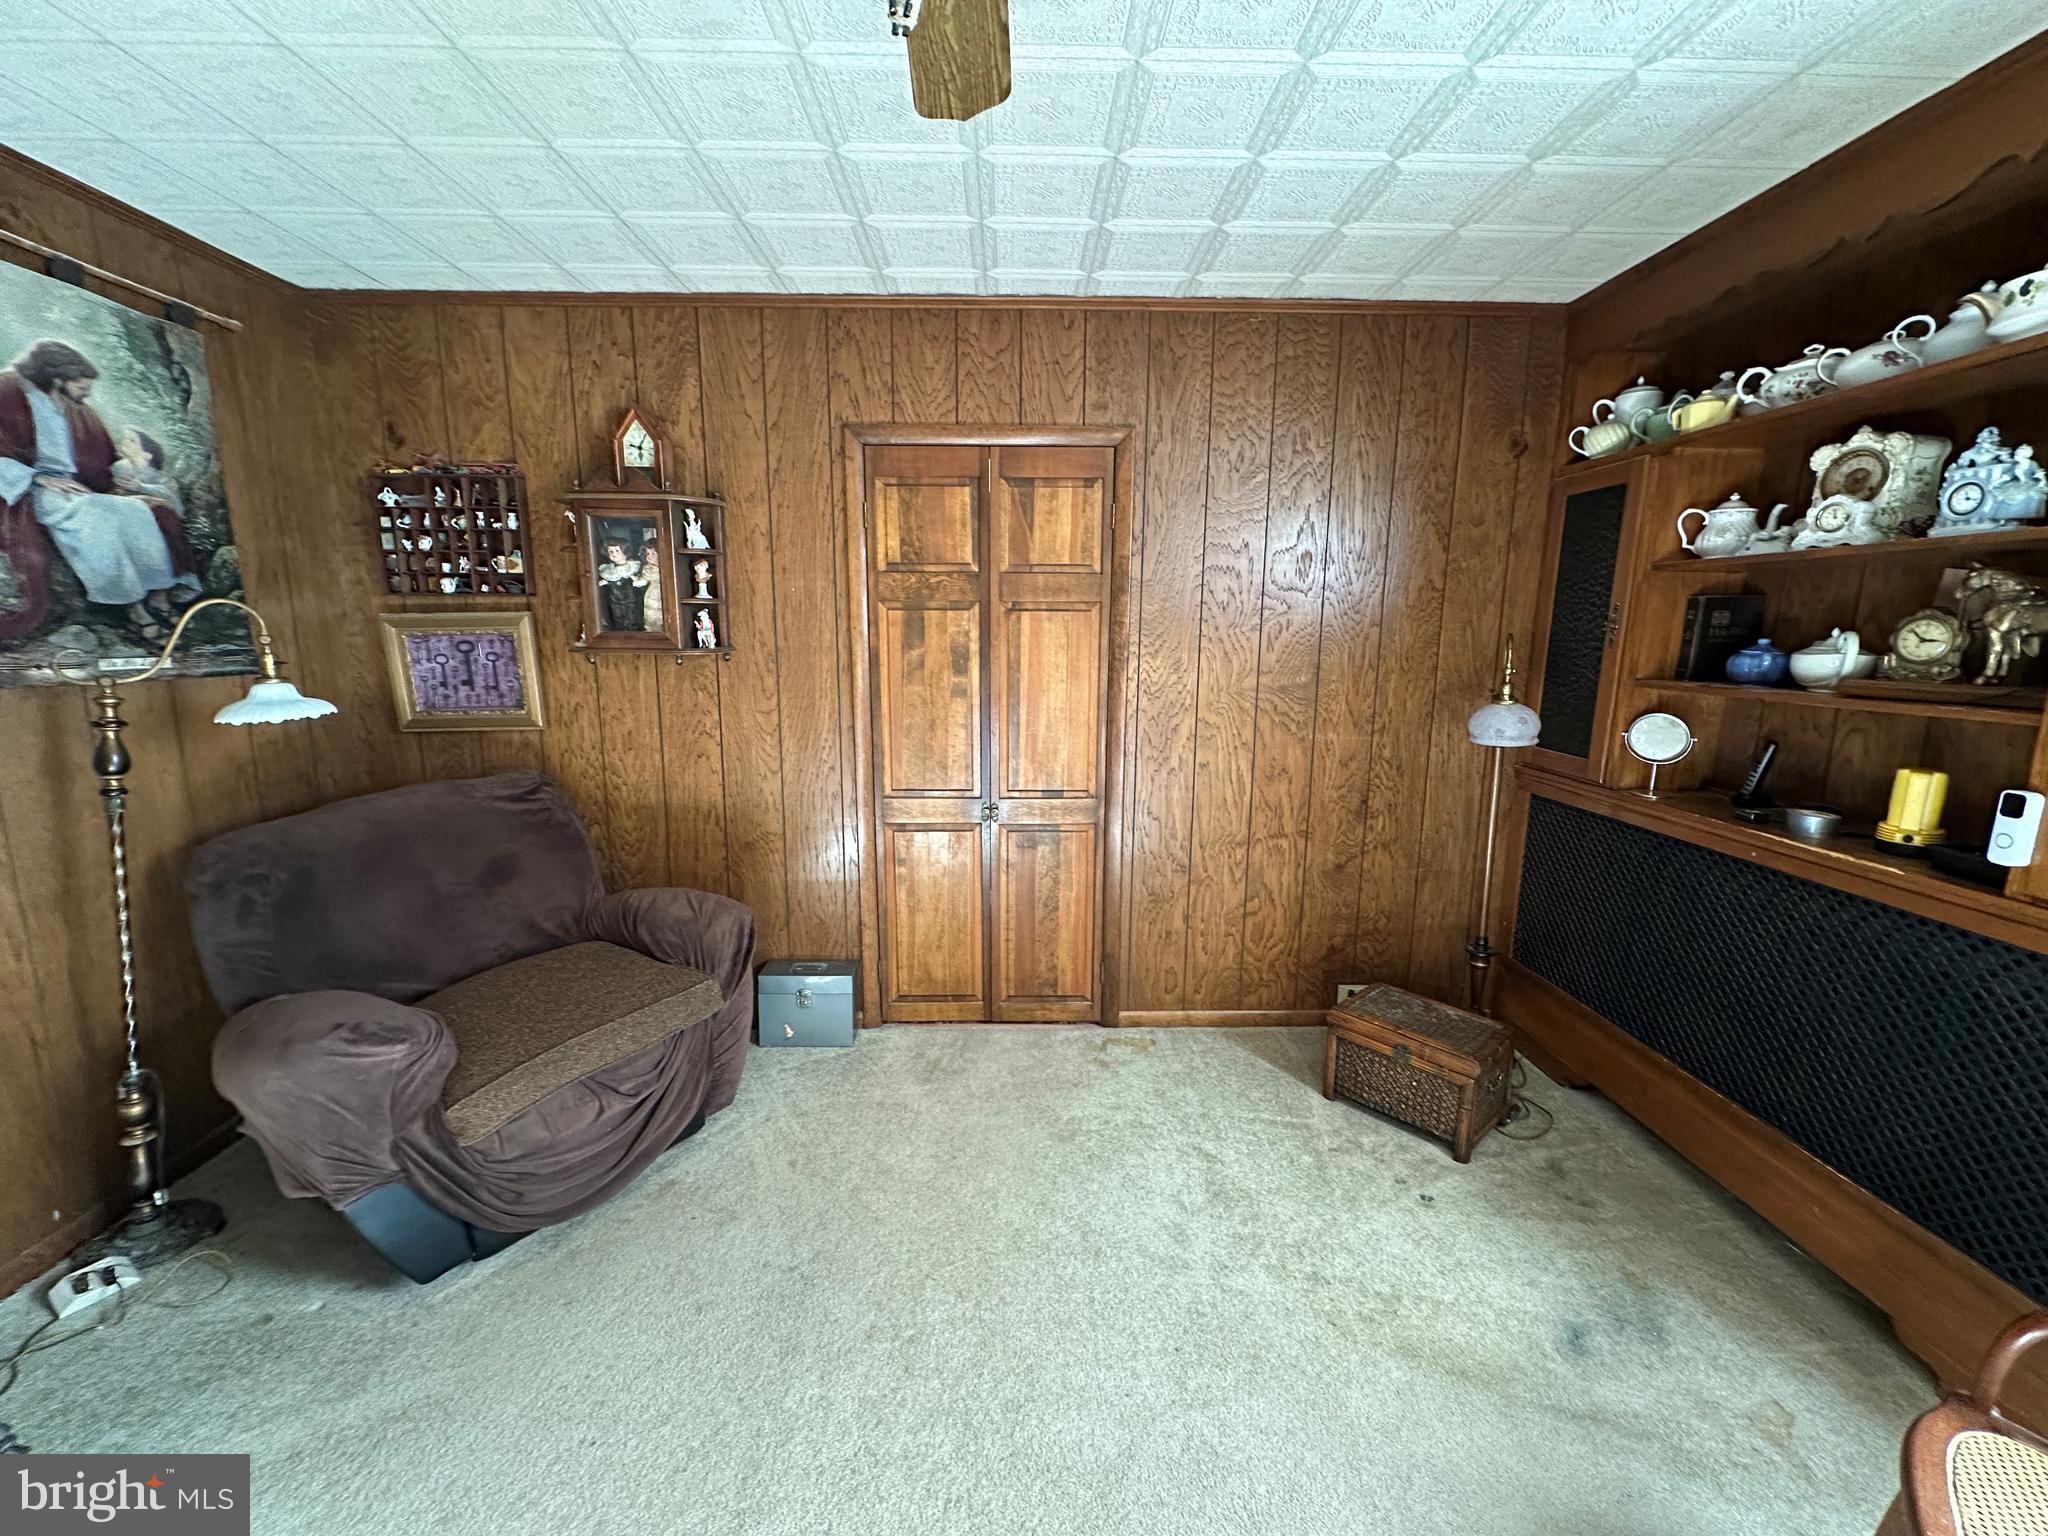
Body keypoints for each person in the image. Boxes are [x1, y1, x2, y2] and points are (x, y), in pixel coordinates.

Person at [0, 340, 197, 643]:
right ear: (58, 378)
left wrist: (130, 474)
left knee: (135, 510)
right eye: (82, 386)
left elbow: (104, 458)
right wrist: (39, 478)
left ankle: (157, 595)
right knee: (94, 515)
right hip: (31, 491)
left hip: (74, 489)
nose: (87, 393)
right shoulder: (10, 394)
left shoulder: (77, 411)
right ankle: (134, 609)